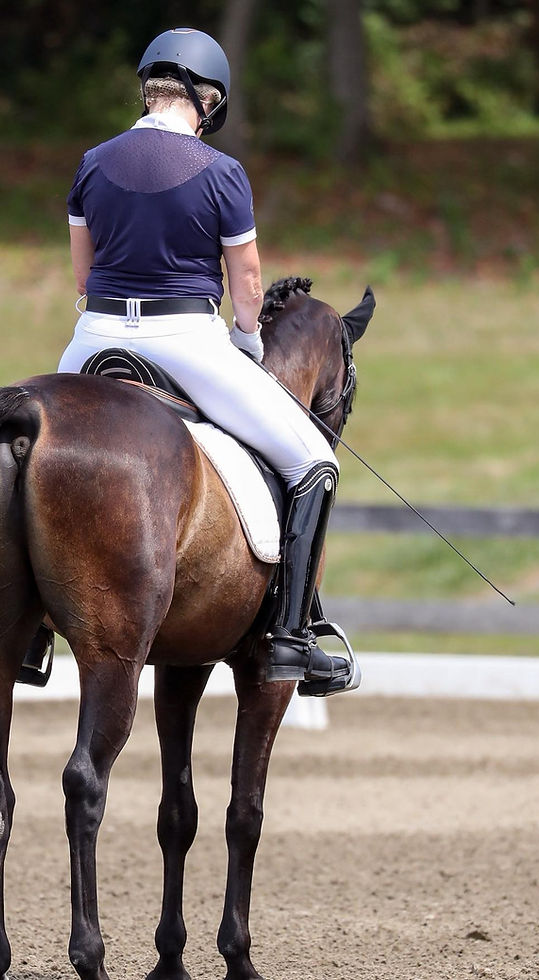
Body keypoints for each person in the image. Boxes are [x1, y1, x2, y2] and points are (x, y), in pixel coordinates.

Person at [55, 27, 358, 696]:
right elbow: (248, 285)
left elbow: (83, 275)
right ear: (206, 101)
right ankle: (291, 639)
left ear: (148, 89)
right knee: (314, 463)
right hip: (185, 341)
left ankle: (23, 635)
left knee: (35, 441)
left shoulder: (93, 161)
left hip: (94, 334)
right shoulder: (220, 172)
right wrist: (248, 342)